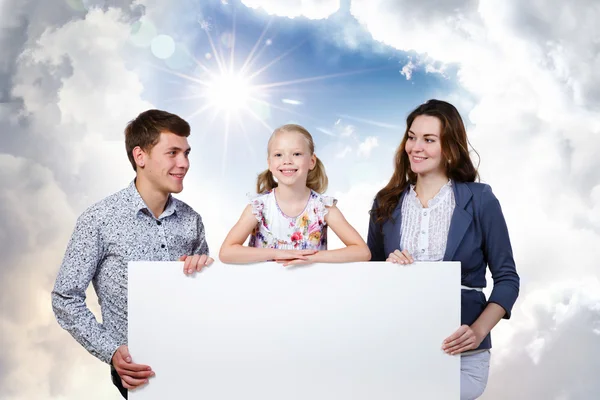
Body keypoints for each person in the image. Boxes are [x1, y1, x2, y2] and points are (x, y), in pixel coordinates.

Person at [51, 109, 213, 399]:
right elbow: (65, 297)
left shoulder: (192, 220)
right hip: (140, 372)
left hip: (196, 362)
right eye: (173, 153)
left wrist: (204, 269)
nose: (184, 163)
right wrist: (111, 351)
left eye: (187, 153)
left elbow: (206, 298)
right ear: (140, 156)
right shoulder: (99, 219)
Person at [367, 99, 519, 400]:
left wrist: (477, 332)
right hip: (399, 348)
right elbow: (369, 277)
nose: (415, 147)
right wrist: (387, 268)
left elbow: (507, 280)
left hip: (462, 355)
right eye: (411, 137)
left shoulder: (480, 199)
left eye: (429, 139)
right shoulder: (386, 202)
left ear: (449, 147)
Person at [220, 123, 370, 265]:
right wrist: (276, 254)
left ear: (311, 161)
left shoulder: (323, 208)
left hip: (309, 289)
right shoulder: (259, 207)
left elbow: (362, 252)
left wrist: (311, 258)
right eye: (278, 155)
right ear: (269, 163)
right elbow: (227, 252)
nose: (287, 161)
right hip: (264, 289)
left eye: (296, 154)